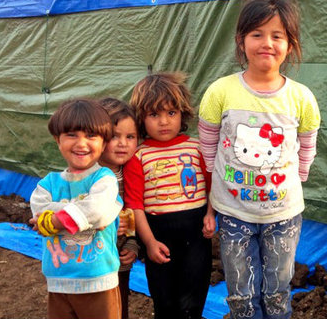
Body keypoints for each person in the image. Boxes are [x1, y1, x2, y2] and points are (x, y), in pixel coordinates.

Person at [197, 0, 321, 319]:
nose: (267, 42)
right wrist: (214, 178)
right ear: (241, 41)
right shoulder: (220, 91)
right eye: (257, 33)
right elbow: (208, 143)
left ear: (290, 45)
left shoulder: (301, 97)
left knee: (278, 291)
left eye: (277, 36)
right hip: (233, 213)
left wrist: (300, 175)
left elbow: (307, 144)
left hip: (283, 214)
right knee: (240, 294)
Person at [124, 72, 215, 319]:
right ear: (141, 118)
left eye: (171, 113)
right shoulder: (138, 156)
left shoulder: (197, 148)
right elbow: (135, 205)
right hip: (158, 235)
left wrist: (210, 214)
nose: (164, 121)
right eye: (154, 114)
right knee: (164, 301)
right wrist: (150, 243)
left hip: (196, 235)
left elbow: (212, 187)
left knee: (193, 300)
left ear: (182, 114)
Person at [29, 98, 122, 319]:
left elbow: (97, 211)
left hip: (98, 280)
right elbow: (39, 212)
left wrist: (55, 220)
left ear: (104, 142)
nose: (81, 144)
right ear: (57, 139)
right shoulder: (48, 183)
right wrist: (83, 215)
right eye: (72, 135)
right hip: (59, 282)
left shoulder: (105, 179)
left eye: (91, 136)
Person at [98, 97, 140, 319]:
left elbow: (130, 214)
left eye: (130, 137)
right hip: (92, 263)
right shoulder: (87, 176)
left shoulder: (129, 174)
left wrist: (132, 244)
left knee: (119, 309)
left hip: (119, 261)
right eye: (114, 136)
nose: (123, 143)